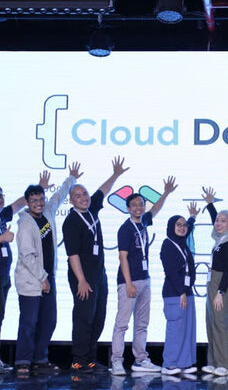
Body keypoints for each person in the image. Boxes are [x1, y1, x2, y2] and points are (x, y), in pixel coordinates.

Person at [0, 174, 46, 373]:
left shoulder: (1, 216)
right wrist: (1, 238)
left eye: (1, 196)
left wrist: (40, 187)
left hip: (1, 276)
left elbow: (18, 204)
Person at [13, 162, 83, 373]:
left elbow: (59, 196)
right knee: (29, 322)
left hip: (47, 278)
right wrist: (42, 278)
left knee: (49, 320)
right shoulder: (25, 224)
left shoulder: (48, 213)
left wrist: (71, 178)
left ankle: (40, 359)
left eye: (41, 199)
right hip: (31, 281)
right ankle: (23, 361)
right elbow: (27, 256)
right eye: (34, 200)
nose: (39, 203)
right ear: (27, 202)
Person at [62, 157, 128, 373]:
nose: (84, 198)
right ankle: (78, 360)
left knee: (98, 317)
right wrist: (81, 280)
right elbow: (72, 255)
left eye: (85, 194)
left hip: (99, 274)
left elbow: (102, 191)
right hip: (82, 276)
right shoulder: (71, 221)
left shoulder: (92, 210)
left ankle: (90, 359)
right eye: (78, 196)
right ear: (71, 201)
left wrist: (116, 174)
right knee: (84, 318)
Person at [110, 175, 177, 375]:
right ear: (128, 208)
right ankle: (116, 361)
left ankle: (140, 360)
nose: (138, 207)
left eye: (141, 204)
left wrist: (166, 192)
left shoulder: (144, 222)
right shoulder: (125, 229)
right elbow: (123, 257)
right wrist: (129, 283)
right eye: (134, 205)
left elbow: (155, 210)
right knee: (122, 324)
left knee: (142, 323)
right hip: (128, 282)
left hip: (145, 279)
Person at [200, 186, 228, 378]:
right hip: (212, 283)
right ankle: (213, 362)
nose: (218, 223)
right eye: (217, 220)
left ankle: (224, 364)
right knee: (211, 322)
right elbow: (215, 224)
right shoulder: (220, 240)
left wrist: (220, 292)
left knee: (220, 323)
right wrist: (210, 206)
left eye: (223, 221)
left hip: (221, 284)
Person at [160, 207, 198, 375]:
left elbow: (187, 229)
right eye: (178, 225)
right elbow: (171, 271)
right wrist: (181, 292)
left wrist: (192, 218)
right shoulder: (168, 245)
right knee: (175, 329)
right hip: (175, 293)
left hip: (187, 293)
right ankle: (170, 364)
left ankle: (183, 364)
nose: (182, 228)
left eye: (184, 225)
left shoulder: (182, 244)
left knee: (187, 329)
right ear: (171, 227)